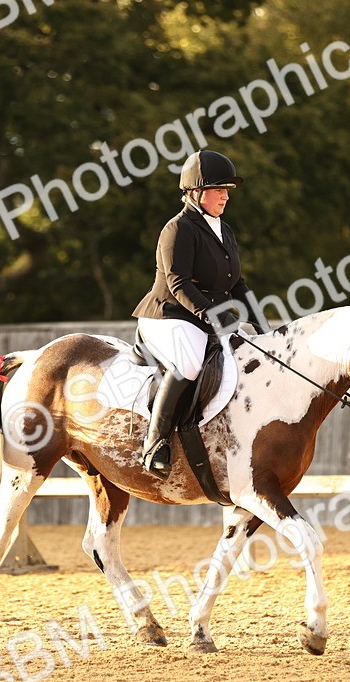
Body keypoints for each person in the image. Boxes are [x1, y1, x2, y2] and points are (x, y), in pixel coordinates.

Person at [131, 149, 267, 478]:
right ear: (195, 192)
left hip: (204, 317)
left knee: (251, 354)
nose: (225, 196)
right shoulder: (178, 229)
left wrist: (263, 326)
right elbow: (178, 282)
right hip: (168, 314)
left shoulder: (224, 230)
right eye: (218, 190)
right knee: (190, 362)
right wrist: (212, 315)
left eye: (227, 190)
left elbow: (237, 284)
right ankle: (155, 443)